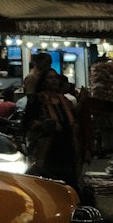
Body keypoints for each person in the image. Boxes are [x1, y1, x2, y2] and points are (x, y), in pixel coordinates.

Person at [23, 61, 82, 190]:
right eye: (50, 78)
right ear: (43, 82)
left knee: (69, 182)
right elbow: (28, 122)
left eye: (56, 78)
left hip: (67, 146)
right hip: (47, 147)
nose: (54, 81)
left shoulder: (65, 100)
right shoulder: (37, 100)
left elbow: (74, 119)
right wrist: (46, 125)